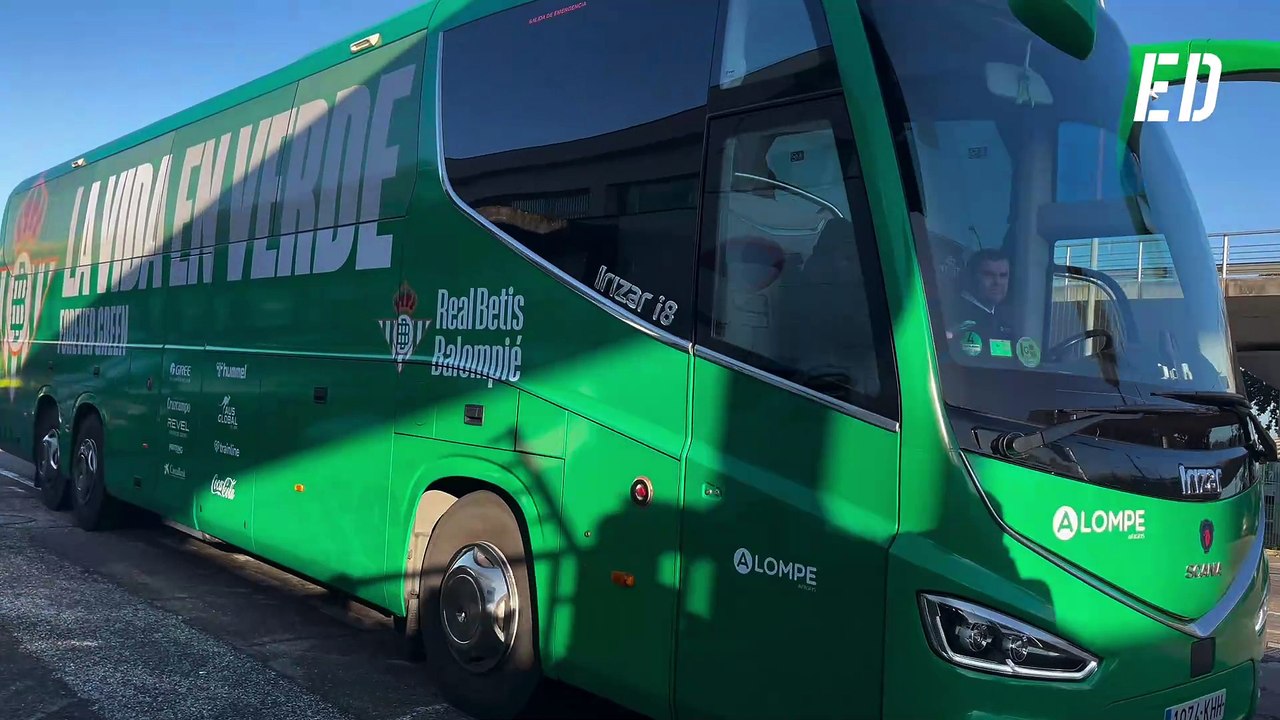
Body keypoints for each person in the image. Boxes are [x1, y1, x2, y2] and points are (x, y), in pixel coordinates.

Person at [947, 248, 1017, 357]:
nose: (997, 282)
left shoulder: (1008, 321)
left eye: (1003, 275)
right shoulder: (951, 313)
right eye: (988, 275)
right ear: (971, 276)